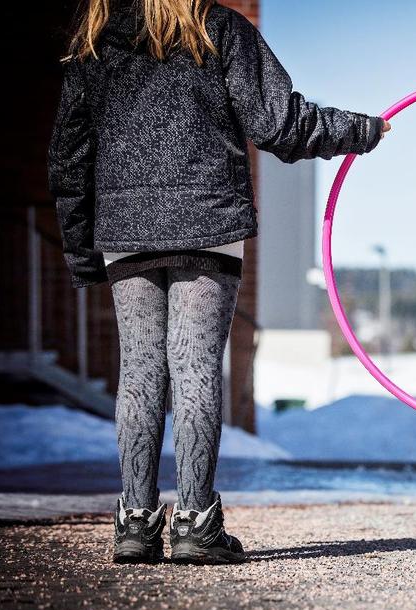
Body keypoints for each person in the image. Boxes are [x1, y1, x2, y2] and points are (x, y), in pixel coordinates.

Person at [49, 0, 390, 565]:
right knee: (194, 365)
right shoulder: (219, 29)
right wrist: (365, 130)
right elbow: (280, 122)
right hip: (207, 220)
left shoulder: (95, 40)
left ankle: (135, 522)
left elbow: (67, 154)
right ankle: (194, 524)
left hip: (125, 225)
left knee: (138, 368)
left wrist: (83, 246)